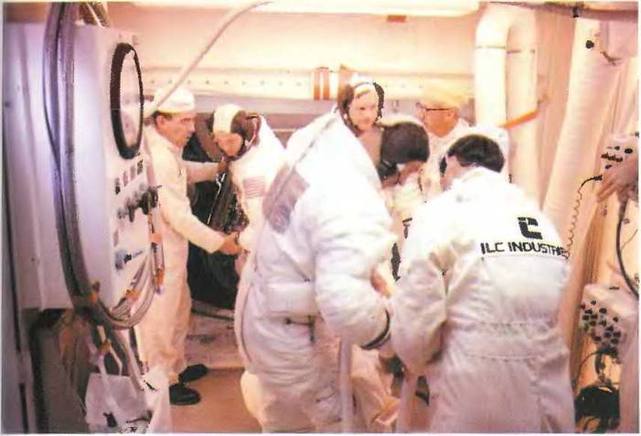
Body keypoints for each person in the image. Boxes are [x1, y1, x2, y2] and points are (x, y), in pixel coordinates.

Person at [234, 109, 429, 431]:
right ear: (392, 165)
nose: (402, 183)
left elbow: (308, 241)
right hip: (289, 334)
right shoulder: (352, 200)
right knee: (335, 417)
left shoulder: (317, 159)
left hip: (262, 314)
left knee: (284, 413)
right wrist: (391, 342)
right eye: (406, 174)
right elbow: (347, 306)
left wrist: (364, 274)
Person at [391, 134, 575, 432]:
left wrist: (409, 356)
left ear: (451, 162)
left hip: (477, 380)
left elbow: (417, 310)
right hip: (550, 380)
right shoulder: (537, 217)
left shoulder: (440, 211)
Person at [137, 86, 239, 406]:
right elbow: (179, 217)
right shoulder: (157, 156)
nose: (191, 128)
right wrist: (220, 244)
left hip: (173, 249)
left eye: (192, 120)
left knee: (180, 309)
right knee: (161, 319)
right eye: (184, 121)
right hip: (160, 251)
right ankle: (162, 381)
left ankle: (177, 367)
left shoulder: (167, 148)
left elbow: (184, 172)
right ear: (161, 121)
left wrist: (216, 169)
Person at [415, 81, 471, 199]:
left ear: (449, 114)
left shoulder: (469, 147)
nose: (420, 115)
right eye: (419, 107)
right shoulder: (423, 139)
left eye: (427, 110)